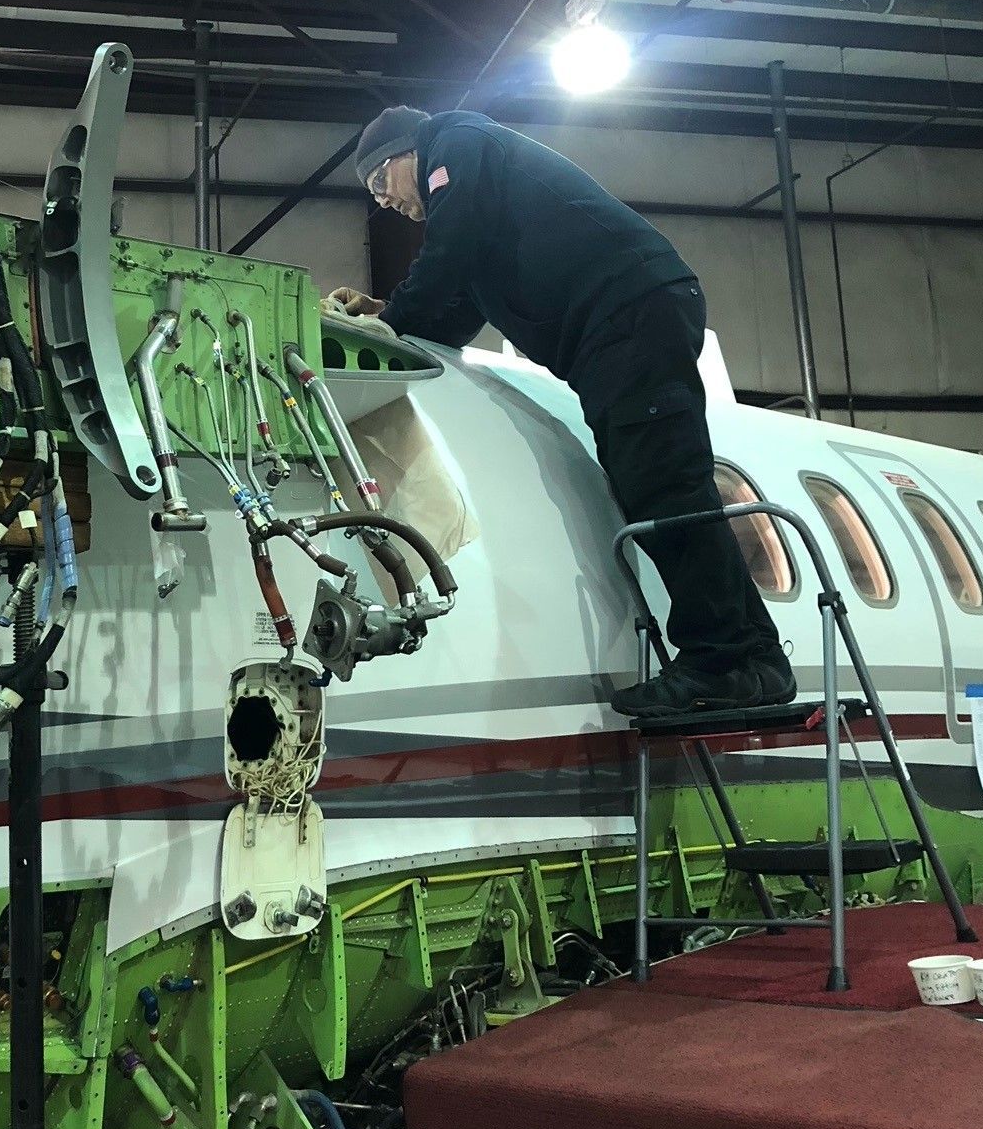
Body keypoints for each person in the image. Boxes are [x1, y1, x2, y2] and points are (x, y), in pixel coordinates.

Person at [329, 104, 795, 718]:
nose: (384, 203)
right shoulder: (483, 212)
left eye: (380, 183)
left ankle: (720, 660)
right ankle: (753, 659)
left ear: (407, 154)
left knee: (663, 486)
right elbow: (451, 313)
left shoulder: (457, 144)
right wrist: (386, 318)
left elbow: (447, 257)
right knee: (662, 485)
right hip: (627, 319)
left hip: (627, 315)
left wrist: (387, 319)